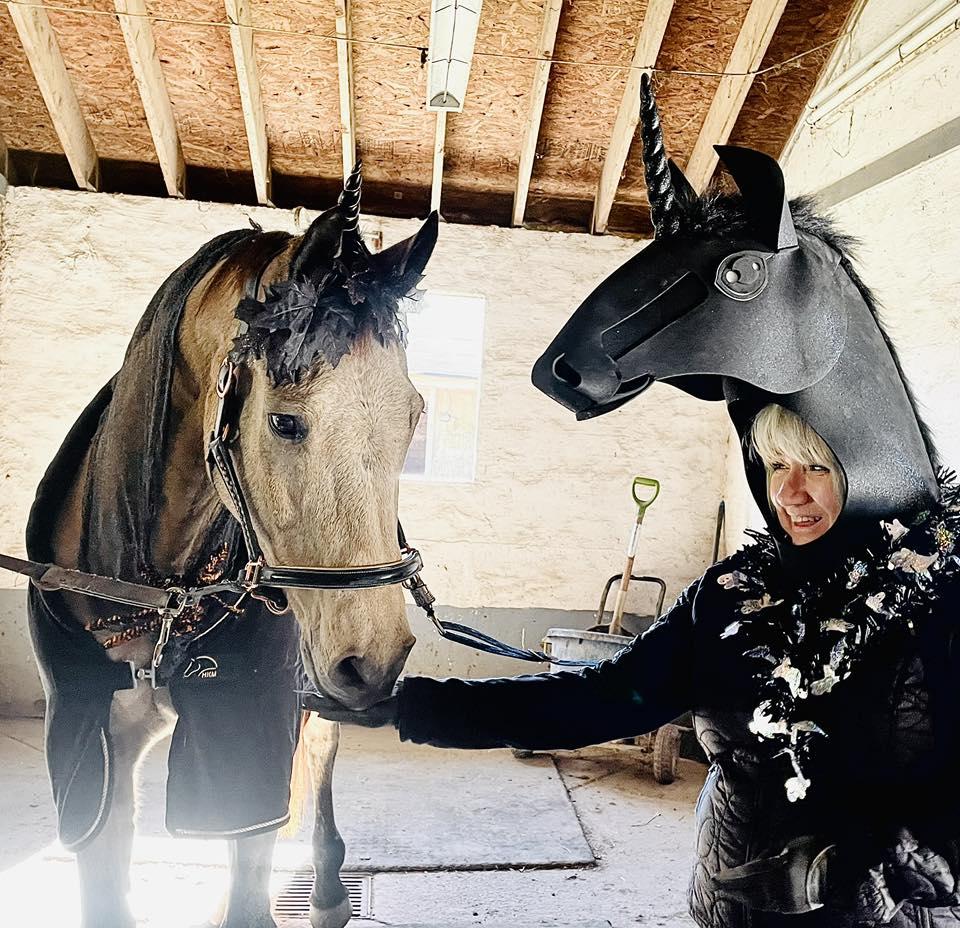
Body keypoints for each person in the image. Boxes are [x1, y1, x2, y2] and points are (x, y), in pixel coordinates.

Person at [305, 78, 960, 928]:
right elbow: (597, 702)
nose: (790, 494)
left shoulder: (940, 597)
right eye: (772, 466)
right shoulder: (731, 601)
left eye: (816, 468)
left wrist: (889, 863)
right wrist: (410, 709)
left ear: (860, 459)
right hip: (731, 908)